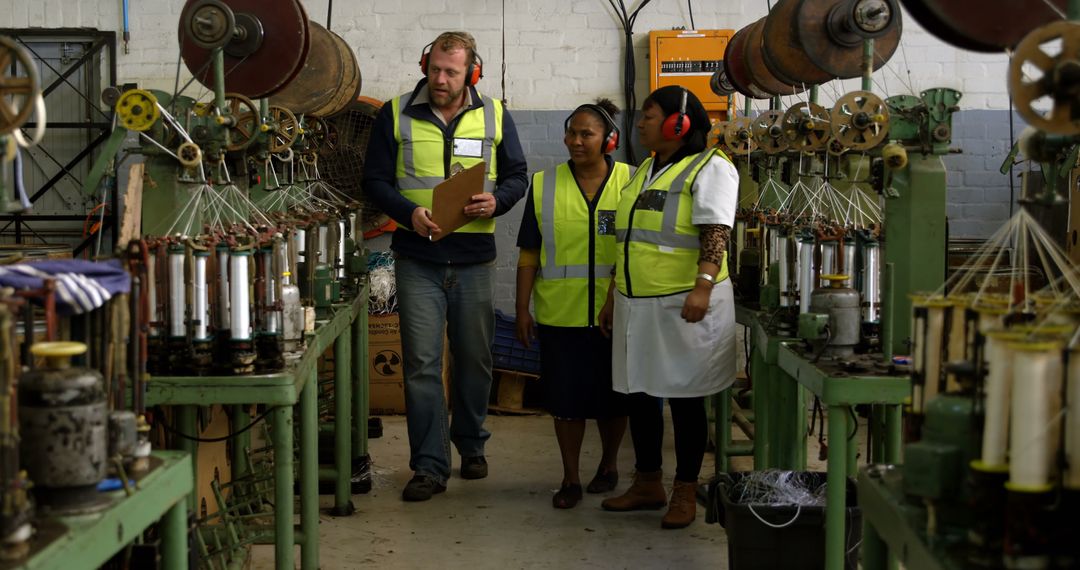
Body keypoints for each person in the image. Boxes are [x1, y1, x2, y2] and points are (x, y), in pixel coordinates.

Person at [363, 31, 529, 502]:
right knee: (420, 365)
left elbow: (517, 176)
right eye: (435, 68)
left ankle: (472, 444)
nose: (440, 79)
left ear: (470, 73)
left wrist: (496, 202)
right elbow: (374, 179)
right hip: (418, 259)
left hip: (475, 261)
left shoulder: (494, 115)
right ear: (424, 65)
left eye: (451, 71)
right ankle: (430, 465)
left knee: (475, 360)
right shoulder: (394, 114)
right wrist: (407, 213)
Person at [598, 85, 738, 529]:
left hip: (684, 304)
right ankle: (647, 482)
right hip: (637, 303)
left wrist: (702, 284)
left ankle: (684, 491)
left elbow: (715, 229)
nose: (640, 123)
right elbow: (630, 240)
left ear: (679, 124)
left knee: (685, 398)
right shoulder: (644, 170)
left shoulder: (711, 167)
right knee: (640, 393)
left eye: (650, 116)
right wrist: (611, 295)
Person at [514, 99, 631, 509]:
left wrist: (616, 298)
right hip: (559, 314)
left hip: (616, 315)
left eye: (587, 134)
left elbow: (636, 252)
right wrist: (522, 309)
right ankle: (569, 478)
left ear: (608, 140)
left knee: (613, 399)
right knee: (565, 402)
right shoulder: (544, 184)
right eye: (572, 133)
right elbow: (529, 253)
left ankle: (610, 466)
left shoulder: (631, 184)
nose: (576, 141)